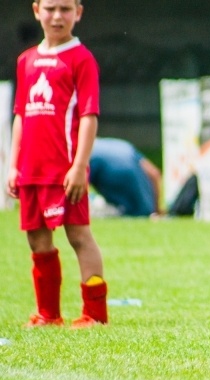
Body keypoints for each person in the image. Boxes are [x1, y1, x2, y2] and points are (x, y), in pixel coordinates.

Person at [5, 0, 108, 328]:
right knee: (37, 238)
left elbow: (89, 116)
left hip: (65, 170)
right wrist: (12, 164)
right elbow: (21, 115)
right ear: (36, 10)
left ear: (78, 12)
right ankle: (48, 314)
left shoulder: (81, 59)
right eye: (50, 9)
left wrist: (79, 166)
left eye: (65, 9)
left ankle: (95, 314)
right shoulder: (26, 61)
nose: (57, 16)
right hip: (32, 169)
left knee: (78, 235)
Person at [89, 138, 163, 217]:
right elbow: (154, 173)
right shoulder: (120, 146)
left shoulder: (85, 152)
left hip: (121, 202)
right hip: (144, 206)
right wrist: (157, 209)